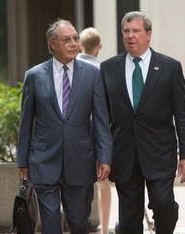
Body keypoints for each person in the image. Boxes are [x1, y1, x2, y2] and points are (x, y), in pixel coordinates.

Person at [100, 11, 185, 234]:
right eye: (126, 31)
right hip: (124, 154)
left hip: (159, 152)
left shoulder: (170, 67)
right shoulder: (108, 68)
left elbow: (183, 114)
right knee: (129, 219)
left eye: (136, 31)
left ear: (148, 34)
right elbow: (102, 117)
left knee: (163, 204)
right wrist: (103, 156)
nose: (130, 36)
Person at [17, 19, 113, 234]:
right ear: (52, 44)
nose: (73, 44)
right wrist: (22, 160)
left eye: (75, 39)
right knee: (50, 225)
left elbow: (100, 119)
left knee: (79, 223)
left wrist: (105, 156)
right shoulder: (34, 76)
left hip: (81, 160)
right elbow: (26, 122)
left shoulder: (92, 74)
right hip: (43, 161)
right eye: (66, 39)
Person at [77, 27, 115, 234]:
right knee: (103, 185)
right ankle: (104, 228)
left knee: (74, 183)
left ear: (80, 44)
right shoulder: (103, 70)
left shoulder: (71, 68)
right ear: (99, 47)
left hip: (76, 136)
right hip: (99, 136)